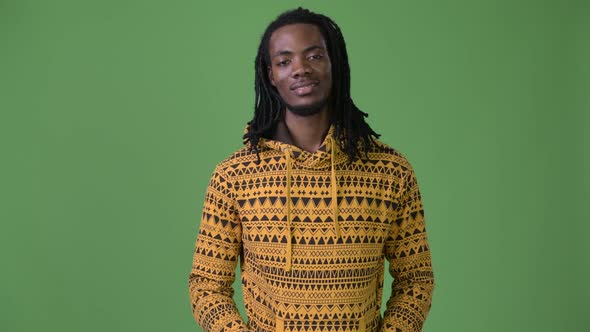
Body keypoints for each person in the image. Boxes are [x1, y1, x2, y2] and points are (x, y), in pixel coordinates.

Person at [188, 7, 435, 332]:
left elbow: (416, 279)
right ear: (270, 74)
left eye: (315, 56)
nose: (300, 69)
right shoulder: (234, 176)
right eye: (284, 60)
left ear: (336, 63)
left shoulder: (390, 172)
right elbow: (206, 286)